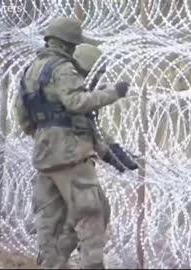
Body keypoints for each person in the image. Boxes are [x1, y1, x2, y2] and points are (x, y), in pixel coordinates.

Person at [13, 17, 136, 269]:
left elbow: (23, 119)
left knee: (50, 222)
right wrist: (114, 93)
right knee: (92, 216)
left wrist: (108, 153)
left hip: (44, 155)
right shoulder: (63, 69)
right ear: (69, 44)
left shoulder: (30, 71)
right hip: (70, 156)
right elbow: (77, 104)